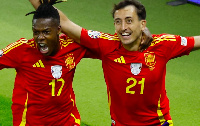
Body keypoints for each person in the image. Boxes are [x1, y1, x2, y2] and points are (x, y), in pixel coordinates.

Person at [29, 0, 200, 126]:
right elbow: (64, 23)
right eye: (118, 21)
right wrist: (40, 4)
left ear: (143, 24)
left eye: (129, 20)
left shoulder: (164, 44)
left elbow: (196, 41)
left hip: (157, 123)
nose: (123, 27)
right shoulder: (106, 44)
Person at [0, 1, 95, 125]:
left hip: (67, 121)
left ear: (59, 30)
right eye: (36, 32)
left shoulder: (73, 46)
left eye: (46, 32)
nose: (40, 37)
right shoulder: (23, 50)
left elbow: (104, 49)